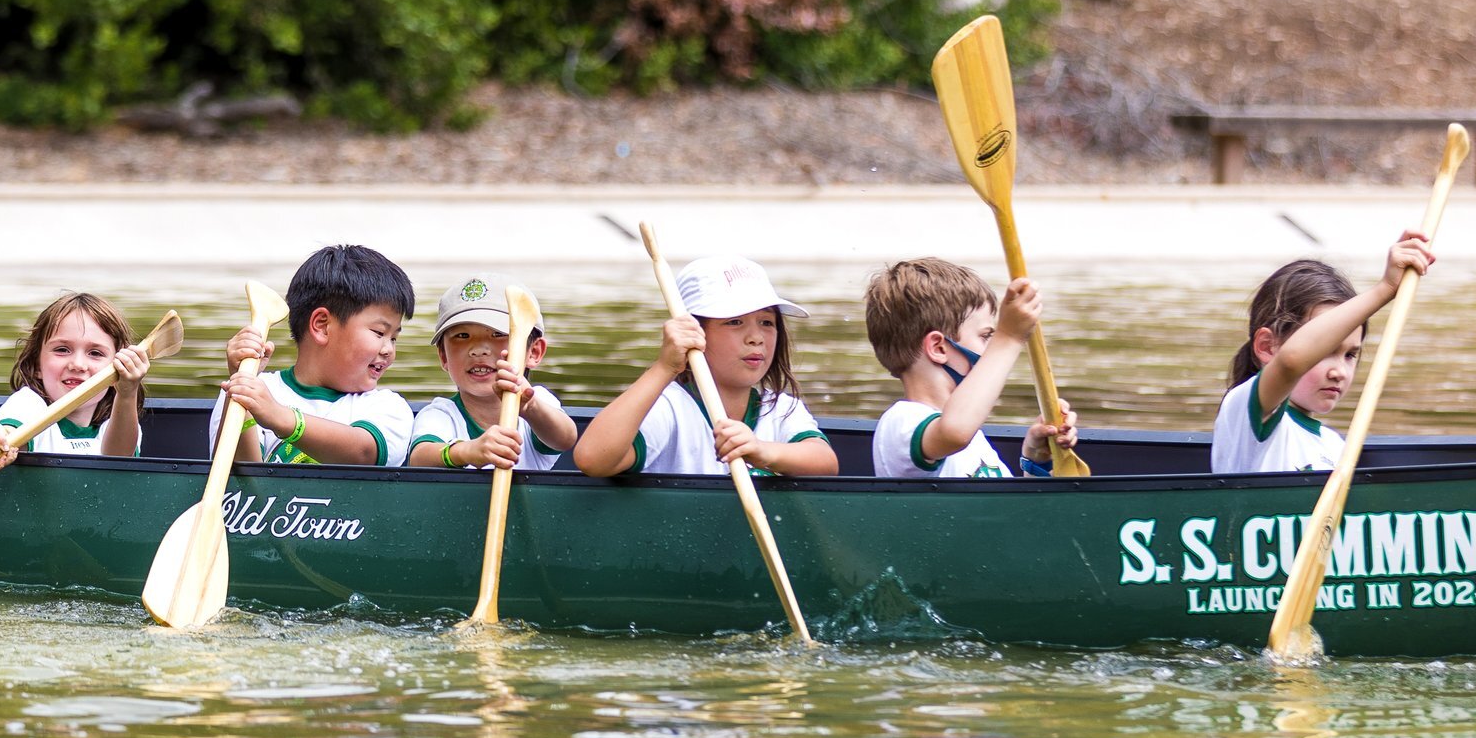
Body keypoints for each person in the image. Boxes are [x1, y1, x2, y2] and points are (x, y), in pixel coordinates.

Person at [574, 255, 837, 478]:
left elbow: (826, 463)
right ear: (694, 331)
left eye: (767, 322)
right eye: (735, 322)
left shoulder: (779, 408)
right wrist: (664, 367)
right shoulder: (669, 407)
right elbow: (592, 459)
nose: (755, 337)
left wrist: (762, 450)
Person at [1211, 232, 1435, 474]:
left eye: (1350, 355)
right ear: (1267, 346)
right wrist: (1385, 289)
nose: (1339, 372)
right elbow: (1291, 360)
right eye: (1324, 351)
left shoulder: (1335, 447)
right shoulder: (1242, 410)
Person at [863, 258, 1077, 479]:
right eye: (985, 336)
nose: (991, 347)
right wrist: (1009, 337)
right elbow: (954, 431)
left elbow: (1008, 510)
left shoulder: (972, 436)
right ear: (938, 347)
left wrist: (1034, 460)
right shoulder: (902, 422)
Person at [209, 245, 416, 466]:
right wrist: (242, 399)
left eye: (394, 338)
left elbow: (364, 453)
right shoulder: (250, 389)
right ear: (322, 326)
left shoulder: (389, 407)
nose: (389, 350)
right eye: (379, 333)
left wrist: (281, 418)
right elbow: (241, 482)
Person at [407, 276, 577, 470]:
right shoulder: (442, 414)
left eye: (498, 334)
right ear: (443, 356)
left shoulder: (538, 403)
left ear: (534, 352)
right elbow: (420, 458)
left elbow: (565, 438)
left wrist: (530, 408)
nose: (478, 350)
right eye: (462, 336)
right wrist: (468, 451)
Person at [0, 293, 154, 467]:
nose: (77, 364)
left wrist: (127, 393)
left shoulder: (120, 418)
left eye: (95, 353)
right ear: (37, 366)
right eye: (62, 350)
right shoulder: (28, 403)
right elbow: (8, 431)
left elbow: (118, 463)